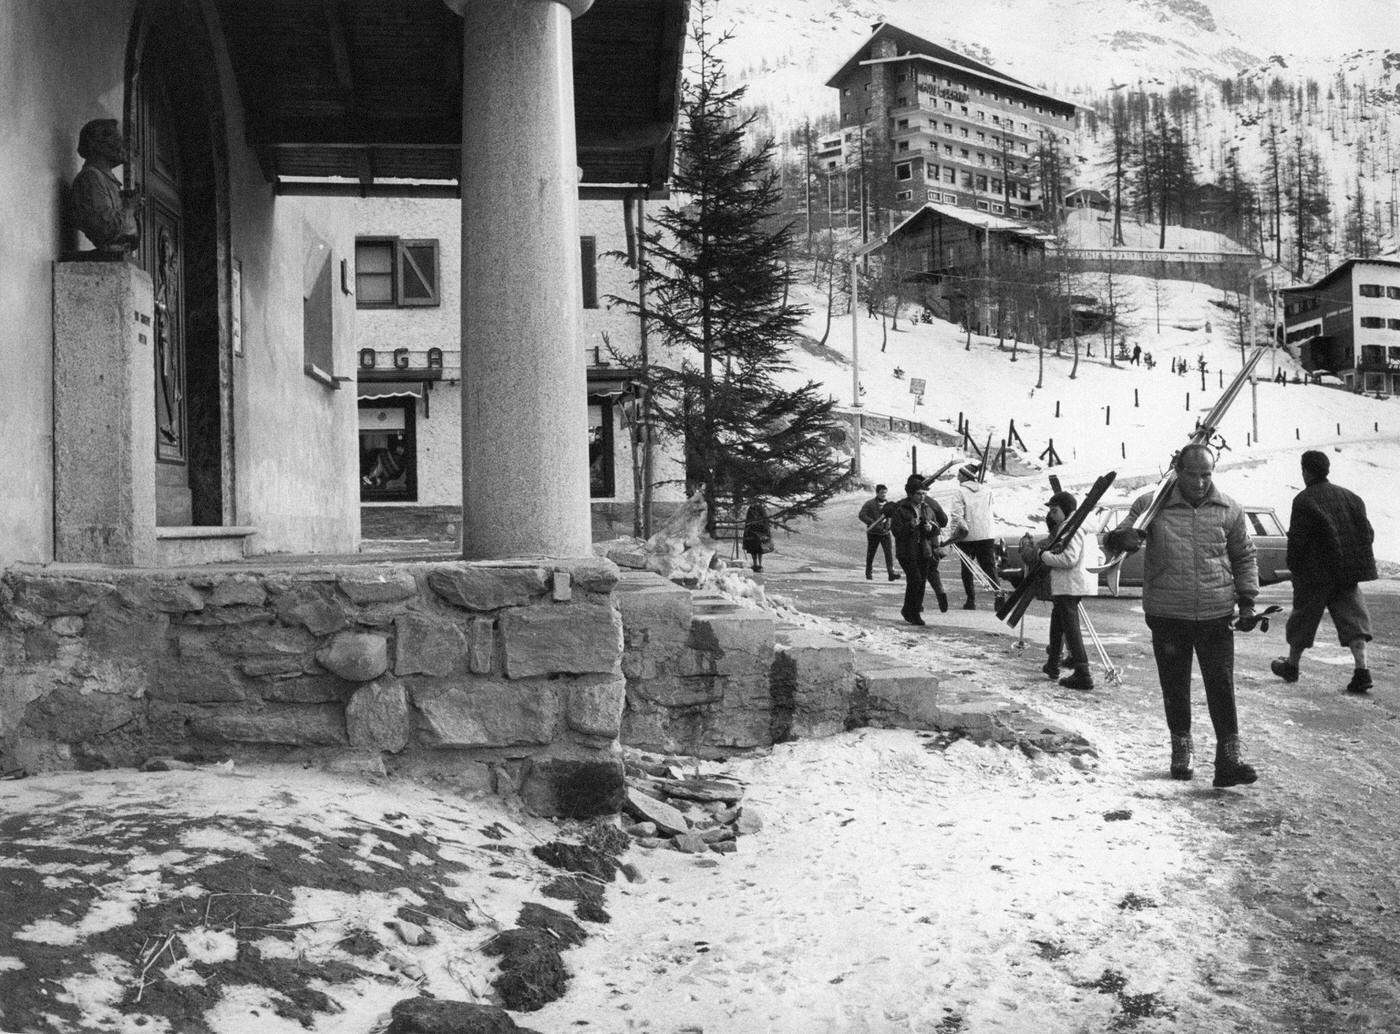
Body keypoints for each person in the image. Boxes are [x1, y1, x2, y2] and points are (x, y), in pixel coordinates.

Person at [1105, 443, 1261, 787]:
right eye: (1194, 474)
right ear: (1178, 471)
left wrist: (1248, 601)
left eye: (1207, 474)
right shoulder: (1151, 505)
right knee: (1174, 686)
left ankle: (1228, 760)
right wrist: (1121, 538)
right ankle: (1182, 748)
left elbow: (1244, 557)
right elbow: (1112, 541)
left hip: (1216, 611)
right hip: (1167, 612)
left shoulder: (1229, 508)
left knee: (1221, 685)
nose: (1202, 482)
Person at [1270, 450, 1377, 693]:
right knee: (1355, 623)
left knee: (1302, 621)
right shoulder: (1352, 497)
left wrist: (1295, 568)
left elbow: (1298, 541)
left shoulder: (1304, 500)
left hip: (1314, 575)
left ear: (1306, 471)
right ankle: (1362, 671)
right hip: (1346, 575)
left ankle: (1292, 666)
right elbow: (1367, 533)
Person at [1035, 491, 1097, 690]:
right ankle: (1053, 663)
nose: (1051, 516)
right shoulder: (1081, 524)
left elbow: (1068, 560)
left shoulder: (1072, 528)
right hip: (1075, 582)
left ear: (1066, 510)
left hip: (1069, 583)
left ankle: (1083, 673)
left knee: (1070, 627)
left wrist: (1043, 555)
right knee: (1058, 621)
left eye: (1054, 511)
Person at [885, 474, 948, 625]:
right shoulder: (901, 509)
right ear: (911, 494)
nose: (922, 497)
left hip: (924, 550)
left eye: (924, 494)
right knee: (915, 580)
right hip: (907, 551)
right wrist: (910, 525)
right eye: (919, 494)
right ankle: (910, 611)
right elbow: (897, 532)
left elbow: (937, 529)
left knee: (920, 583)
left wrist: (930, 527)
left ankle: (913, 612)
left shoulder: (926, 509)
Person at [71, 118, 141, 254]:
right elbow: (104, 228)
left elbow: (131, 237)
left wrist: (130, 209)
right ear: (97, 145)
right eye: (117, 139)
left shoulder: (108, 181)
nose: (123, 145)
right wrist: (129, 208)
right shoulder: (90, 178)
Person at [947, 464, 1004, 610]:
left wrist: (953, 535)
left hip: (967, 535)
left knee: (967, 567)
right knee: (989, 567)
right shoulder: (987, 489)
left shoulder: (959, 492)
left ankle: (970, 600)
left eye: (960, 475)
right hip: (986, 533)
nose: (957, 477)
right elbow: (992, 508)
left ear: (965, 476)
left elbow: (956, 516)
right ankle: (999, 596)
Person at [858, 484, 900, 581]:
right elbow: (861, 515)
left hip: (885, 533)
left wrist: (890, 524)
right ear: (877, 493)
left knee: (888, 553)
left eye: (885, 493)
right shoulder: (870, 504)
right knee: (871, 553)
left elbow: (894, 517)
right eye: (881, 493)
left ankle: (891, 573)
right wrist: (872, 522)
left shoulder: (889, 505)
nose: (884, 495)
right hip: (873, 533)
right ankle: (868, 572)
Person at [742, 498, 772, 573]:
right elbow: (748, 520)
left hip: (760, 533)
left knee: (760, 550)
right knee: (753, 550)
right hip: (752, 533)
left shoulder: (761, 509)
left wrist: (764, 530)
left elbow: (765, 521)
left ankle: (760, 564)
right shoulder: (750, 509)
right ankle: (755, 564)